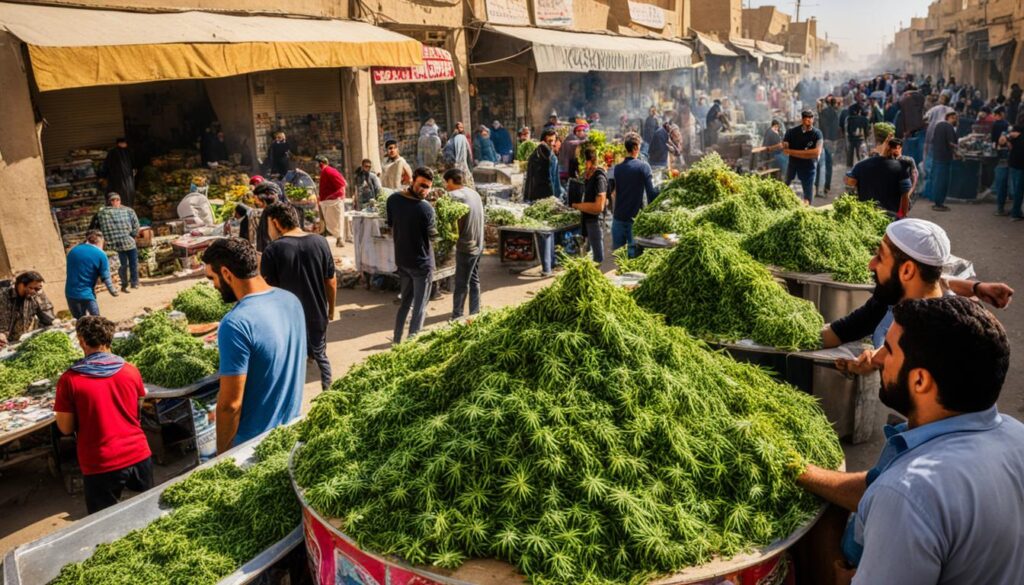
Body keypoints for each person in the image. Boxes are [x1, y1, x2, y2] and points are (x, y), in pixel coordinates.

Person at [799, 295, 1024, 584]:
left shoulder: (907, 493)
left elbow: (904, 497)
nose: (877, 358)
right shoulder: (1015, 435)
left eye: (889, 350)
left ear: (920, 381)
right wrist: (807, 474)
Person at [822, 218, 1013, 358]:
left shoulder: (946, 334)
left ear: (907, 271)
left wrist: (878, 360)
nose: (871, 265)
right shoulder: (889, 300)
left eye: (880, 257)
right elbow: (845, 329)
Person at [203, 237, 305, 453]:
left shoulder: (235, 323)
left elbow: (231, 405)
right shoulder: (291, 300)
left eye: (212, 278)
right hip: (290, 433)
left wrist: (222, 457)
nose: (213, 286)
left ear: (226, 274)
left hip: (253, 446)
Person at [54, 316, 152, 514]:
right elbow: (138, 408)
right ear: (110, 338)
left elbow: (65, 428)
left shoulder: (70, 380)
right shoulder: (130, 370)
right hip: (139, 454)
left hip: (101, 463)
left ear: (81, 340)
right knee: (149, 516)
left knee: (105, 527)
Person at [260, 204, 336, 390]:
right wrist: (330, 310)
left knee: (291, 361)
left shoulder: (273, 250)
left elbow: (269, 291)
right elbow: (331, 281)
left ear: (276, 222)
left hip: (288, 320)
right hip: (317, 314)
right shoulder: (320, 242)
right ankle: (330, 392)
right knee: (321, 354)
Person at [387, 168, 437, 343]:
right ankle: (410, 345)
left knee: (405, 304)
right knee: (419, 307)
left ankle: (397, 341)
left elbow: (392, 226)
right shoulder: (426, 209)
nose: (424, 190)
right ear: (412, 180)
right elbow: (434, 236)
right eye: (421, 185)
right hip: (421, 265)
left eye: (428, 187)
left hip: (402, 260)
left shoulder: (393, 200)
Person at [443, 169, 484, 320]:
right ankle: (475, 311)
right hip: (479, 243)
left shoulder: (455, 196)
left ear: (451, 181)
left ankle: (457, 315)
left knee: (461, 283)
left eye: (446, 182)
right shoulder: (473, 193)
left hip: (467, 246)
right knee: (473, 278)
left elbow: (449, 217)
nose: (445, 186)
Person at [611, 134, 658, 258]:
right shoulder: (644, 167)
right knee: (634, 262)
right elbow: (652, 194)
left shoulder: (617, 168)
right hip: (635, 220)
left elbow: (616, 192)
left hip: (618, 219)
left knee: (619, 259)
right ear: (636, 147)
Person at [845, 137, 912, 217]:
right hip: (891, 216)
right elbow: (905, 195)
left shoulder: (860, 165)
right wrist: (903, 215)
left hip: (866, 215)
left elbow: (850, 182)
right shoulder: (901, 167)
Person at [93, 193, 140, 293]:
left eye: (117, 200)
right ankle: (125, 285)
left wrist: (132, 235)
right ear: (109, 202)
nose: (115, 202)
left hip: (128, 242)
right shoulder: (103, 213)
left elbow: (136, 225)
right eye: (113, 200)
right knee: (123, 265)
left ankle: (134, 282)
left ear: (120, 200)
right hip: (116, 245)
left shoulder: (128, 211)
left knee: (133, 263)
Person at [65, 230, 118, 318]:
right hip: (87, 295)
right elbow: (106, 277)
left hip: (70, 293)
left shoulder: (73, 251)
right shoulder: (101, 254)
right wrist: (113, 291)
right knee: (96, 321)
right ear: (100, 240)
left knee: (80, 321)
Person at [570, 147, 608, 264]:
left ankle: (597, 277)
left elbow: (598, 207)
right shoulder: (589, 176)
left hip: (595, 221)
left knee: (597, 258)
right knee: (589, 254)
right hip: (588, 220)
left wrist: (576, 205)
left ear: (588, 161)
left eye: (582, 162)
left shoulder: (599, 178)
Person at [0, 271, 55, 348]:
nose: (36, 292)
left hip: (19, 342)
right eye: (33, 288)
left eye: (38, 289)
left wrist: (54, 322)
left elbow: (46, 314)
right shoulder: (3, 295)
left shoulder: (36, 294)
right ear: (22, 285)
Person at [783, 110, 823, 204]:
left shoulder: (817, 133)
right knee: (785, 191)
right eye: (806, 118)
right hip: (793, 167)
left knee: (808, 196)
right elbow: (785, 149)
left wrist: (791, 152)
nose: (809, 121)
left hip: (809, 168)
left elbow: (816, 152)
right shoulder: (791, 132)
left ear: (813, 119)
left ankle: (808, 212)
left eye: (810, 118)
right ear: (802, 120)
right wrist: (806, 153)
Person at [928, 111, 959, 211]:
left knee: (937, 181)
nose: (955, 120)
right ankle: (939, 204)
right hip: (944, 158)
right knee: (942, 182)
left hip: (937, 156)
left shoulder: (938, 126)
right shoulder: (949, 127)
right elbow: (951, 143)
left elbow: (933, 140)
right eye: (954, 118)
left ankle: (937, 202)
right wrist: (957, 152)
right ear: (949, 118)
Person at [315, 155, 347, 248]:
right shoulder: (325, 171)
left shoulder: (328, 170)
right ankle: (338, 239)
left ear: (320, 163)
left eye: (316, 164)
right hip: (328, 202)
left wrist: (332, 196)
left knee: (335, 222)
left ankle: (340, 239)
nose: (315, 166)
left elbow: (342, 184)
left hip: (333, 202)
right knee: (331, 222)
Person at [998, 114, 1024, 220]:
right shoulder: (1017, 130)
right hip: (1020, 164)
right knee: (1018, 190)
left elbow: (1003, 142)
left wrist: (1007, 140)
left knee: (1017, 189)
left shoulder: (1015, 130)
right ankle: (1015, 212)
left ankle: (1015, 211)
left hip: (1014, 162)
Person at [524, 129, 561, 201]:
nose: (553, 143)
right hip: (542, 197)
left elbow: (555, 178)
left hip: (547, 197)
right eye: (550, 141)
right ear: (543, 142)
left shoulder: (550, 155)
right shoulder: (539, 156)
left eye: (554, 140)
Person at [100, 138, 136, 208]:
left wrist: (102, 176)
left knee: (118, 196)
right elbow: (134, 165)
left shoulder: (112, 152)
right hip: (127, 181)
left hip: (117, 181)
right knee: (128, 196)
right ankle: (128, 208)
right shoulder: (128, 151)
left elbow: (106, 165)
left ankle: (120, 208)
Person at [817, 97, 841, 197]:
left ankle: (819, 187)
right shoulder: (835, 113)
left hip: (824, 139)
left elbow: (821, 126)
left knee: (821, 164)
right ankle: (826, 187)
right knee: (828, 164)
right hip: (831, 140)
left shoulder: (823, 112)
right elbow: (836, 127)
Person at [252, 184, 281, 253]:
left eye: (255, 198)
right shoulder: (268, 211)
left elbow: (273, 237)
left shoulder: (271, 211)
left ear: (263, 198)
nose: (255, 201)